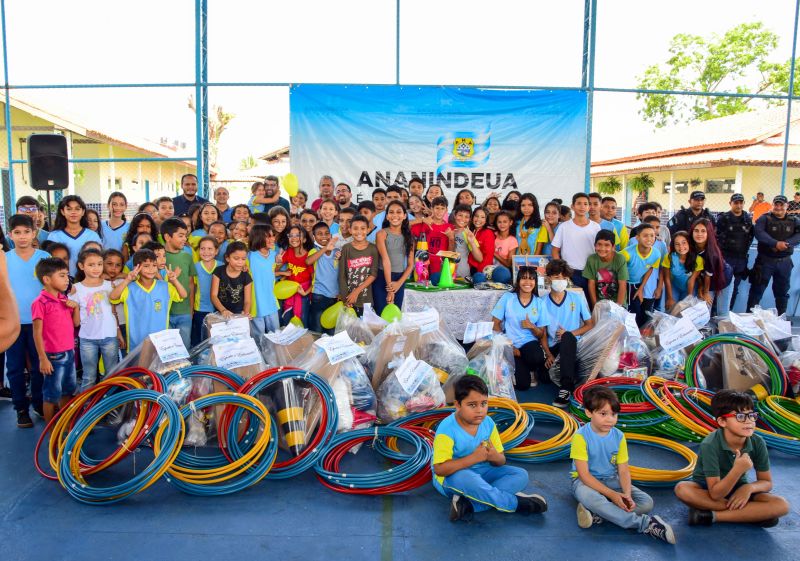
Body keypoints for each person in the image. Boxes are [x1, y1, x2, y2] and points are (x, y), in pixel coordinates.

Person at [432, 375, 548, 522]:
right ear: (458, 405)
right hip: (453, 477)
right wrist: (473, 458)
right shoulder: (447, 429)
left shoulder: (488, 423)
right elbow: (440, 469)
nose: (480, 410)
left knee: (521, 475)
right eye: (472, 405)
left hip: (483, 472)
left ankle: (469, 504)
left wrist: (494, 456)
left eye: (484, 403)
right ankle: (516, 504)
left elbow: (501, 460)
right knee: (467, 478)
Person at [570, 386, 676, 544]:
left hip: (612, 480)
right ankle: (646, 524)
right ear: (588, 413)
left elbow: (624, 470)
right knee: (589, 496)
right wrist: (613, 495)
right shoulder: (580, 437)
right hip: (584, 483)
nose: (610, 419)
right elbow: (584, 475)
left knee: (646, 502)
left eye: (614, 414)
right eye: (603, 414)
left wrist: (626, 494)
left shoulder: (619, 436)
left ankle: (598, 515)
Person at [674, 390, 790, 527]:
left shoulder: (757, 442)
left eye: (752, 415)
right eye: (740, 416)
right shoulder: (710, 444)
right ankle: (751, 513)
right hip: (708, 491)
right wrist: (737, 469)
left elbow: (766, 482)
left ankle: (710, 515)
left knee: (782, 505)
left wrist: (748, 488)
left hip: (738, 490)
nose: (749, 421)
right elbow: (716, 494)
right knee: (682, 489)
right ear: (722, 421)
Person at [6, 215, 49, 427]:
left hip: (39, 322)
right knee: (14, 368)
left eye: (26, 232)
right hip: (12, 323)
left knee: (40, 365)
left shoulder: (44, 257)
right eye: (17, 232)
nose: (22, 237)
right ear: (10, 234)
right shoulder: (4, 259)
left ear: (34, 233)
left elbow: (54, 287)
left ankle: (39, 404)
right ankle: (20, 408)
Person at [31, 257, 80, 422]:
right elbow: (37, 333)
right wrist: (43, 358)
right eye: (62, 275)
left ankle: (64, 425)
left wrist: (76, 308)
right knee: (51, 395)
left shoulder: (64, 300)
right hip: (53, 356)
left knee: (68, 391)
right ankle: (51, 431)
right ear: (46, 279)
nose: (67, 279)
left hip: (69, 352)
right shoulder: (40, 302)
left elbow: (76, 324)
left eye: (67, 275)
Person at [110, 249, 187, 351]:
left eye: (154, 265)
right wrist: (128, 279)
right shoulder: (130, 288)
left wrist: (174, 280)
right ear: (136, 268)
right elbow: (113, 297)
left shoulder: (165, 286)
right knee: (139, 367)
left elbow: (183, 295)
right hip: (136, 343)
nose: (151, 269)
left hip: (161, 342)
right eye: (146, 266)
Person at [542, 259, 593, 407]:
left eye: (564, 278)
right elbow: (543, 332)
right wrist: (548, 354)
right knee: (544, 377)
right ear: (548, 278)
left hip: (573, 345)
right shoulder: (542, 301)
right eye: (557, 277)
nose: (561, 281)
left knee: (568, 338)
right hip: (553, 347)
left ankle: (566, 389)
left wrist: (569, 333)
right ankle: (569, 374)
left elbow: (590, 324)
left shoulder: (576, 298)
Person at [70, 248, 120, 391]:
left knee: (111, 376)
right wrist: (75, 307)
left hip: (110, 337)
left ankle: (111, 407)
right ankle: (87, 409)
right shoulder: (76, 288)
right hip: (87, 339)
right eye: (91, 265)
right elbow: (76, 322)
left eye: (99, 264)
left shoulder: (109, 285)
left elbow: (114, 311)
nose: (96, 268)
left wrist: (118, 332)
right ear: (81, 266)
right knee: (89, 377)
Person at [491, 266, 549, 391]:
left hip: (529, 344)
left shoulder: (539, 302)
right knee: (523, 386)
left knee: (536, 357)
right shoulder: (508, 298)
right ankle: (514, 365)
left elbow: (541, 334)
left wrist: (532, 326)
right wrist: (508, 345)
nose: (527, 282)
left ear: (535, 282)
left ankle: (531, 369)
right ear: (518, 281)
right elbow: (495, 323)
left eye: (531, 279)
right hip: (510, 343)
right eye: (523, 278)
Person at [746, 194, 800, 315]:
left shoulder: (794, 220)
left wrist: (786, 244)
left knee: (782, 292)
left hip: (784, 262)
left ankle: (781, 318)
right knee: (756, 290)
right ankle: (749, 318)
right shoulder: (764, 219)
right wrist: (775, 243)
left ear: (787, 206)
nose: (779, 207)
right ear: (773, 205)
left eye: (782, 204)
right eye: (776, 204)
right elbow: (759, 233)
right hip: (765, 262)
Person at [552, 193, 601, 297]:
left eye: (585, 204)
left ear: (589, 207)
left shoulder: (596, 227)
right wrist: (562, 271)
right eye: (578, 203)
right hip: (570, 273)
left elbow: (599, 251)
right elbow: (555, 251)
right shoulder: (564, 227)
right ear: (572, 206)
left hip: (591, 273)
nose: (582, 207)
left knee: (589, 305)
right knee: (571, 305)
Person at [715, 193, 754, 315]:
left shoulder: (747, 219)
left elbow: (750, 236)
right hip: (726, 258)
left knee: (734, 289)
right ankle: (715, 315)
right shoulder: (723, 218)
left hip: (741, 259)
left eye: (741, 203)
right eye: (736, 203)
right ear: (730, 203)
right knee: (720, 288)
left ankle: (727, 314)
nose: (738, 205)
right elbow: (716, 238)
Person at [374, 200, 415, 314]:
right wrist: (390, 289)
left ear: (404, 216)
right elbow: (386, 261)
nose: (395, 215)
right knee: (381, 316)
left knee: (395, 318)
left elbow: (411, 264)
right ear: (387, 216)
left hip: (399, 280)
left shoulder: (409, 237)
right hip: (382, 278)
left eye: (398, 212)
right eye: (391, 212)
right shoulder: (381, 234)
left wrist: (399, 283)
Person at [161, 218, 196, 348]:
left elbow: (191, 284)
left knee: (184, 348)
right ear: (167, 237)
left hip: (184, 312)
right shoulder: (159, 256)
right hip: (164, 312)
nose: (184, 239)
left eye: (185, 236)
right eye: (180, 235)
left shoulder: (187, 256)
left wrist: (191, 309)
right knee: (167, 349)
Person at [47, 195, 102, 276]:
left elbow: (99, 260)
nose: (73, 212)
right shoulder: (54, 236)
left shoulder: (93, 236)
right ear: (62, 212)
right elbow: (50, 264)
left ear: (83, 212)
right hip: (62, 281)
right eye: (69, 209)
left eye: (77, 209)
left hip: (88, 280)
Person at [620, 223, 661, 326]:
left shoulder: (656, 254)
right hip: (624, 283)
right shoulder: (626, 254)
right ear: (637, 238)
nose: (649, 239)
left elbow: (650, 269)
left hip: (637, 284)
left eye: (652, 235)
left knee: (638, 313)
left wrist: (640, 288)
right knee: (629, 313)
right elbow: (617, 271)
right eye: (645, 235)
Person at [338, 215, 378, 315]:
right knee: (350, 329)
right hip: (349, 299)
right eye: (355, 228)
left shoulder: (373, 248)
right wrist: (345, 298)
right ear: (350, 230)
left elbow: (373, 274)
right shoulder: (346, 248)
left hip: (366, 299)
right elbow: (342, 275)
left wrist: (356, 292)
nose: (359, 232)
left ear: (368, 230)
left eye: (363, 228)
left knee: (365, 329)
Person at [306, 222, 340, 334]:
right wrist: (326, 248)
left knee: (331, 330)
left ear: (330, 235)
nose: (324, 236)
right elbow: (308, 261)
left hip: (335, 297)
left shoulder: (336, 252)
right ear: (314, 236)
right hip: (319, 296)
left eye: (326, 233)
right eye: (320, 234)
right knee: (317, 329)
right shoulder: (314, 251)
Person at [411, 196, 453, 285]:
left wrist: (451, 238)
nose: (439, 211)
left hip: (439, 264)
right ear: (432, 209)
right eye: (437, 208)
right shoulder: (424, 223)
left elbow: (451, 253)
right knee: (422, 286)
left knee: (436, 286)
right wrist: (421, 220)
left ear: (446, 210)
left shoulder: (449, 227)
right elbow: (405, 225)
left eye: (442, 208)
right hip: (423, 261)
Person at [248, 225, 281, 335]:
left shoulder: (274, 254)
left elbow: (270, 273)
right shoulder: (249, 256)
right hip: (255, 304)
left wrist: (279, 266)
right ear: (258, 238)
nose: (273, 239)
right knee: (258, 338)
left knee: (276, 335)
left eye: (273, 236)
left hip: (271, 302)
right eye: (268, 236)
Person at [690, 218, 728, 313]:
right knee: (703, 311)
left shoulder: (711, 253)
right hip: (706, 281)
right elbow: (697, 272)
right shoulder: (689, 248)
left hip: (724, 279)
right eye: (696, 231)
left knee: (722, 313)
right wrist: (700, 288)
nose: (699, 234)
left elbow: (707, 275)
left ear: (709, 234)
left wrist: (705, 292)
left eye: (703, 231)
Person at [583, 229, 628, 308]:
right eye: (599, 244)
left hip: (618, 302)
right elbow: (591, 284)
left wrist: (618, 308)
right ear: (595, 245)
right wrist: (595, 306)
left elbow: (622, 284)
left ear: (613, 247)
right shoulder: (592, 259)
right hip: (600, 302)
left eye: (607, 245)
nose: (602, 248)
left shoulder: (620, 259)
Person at [191, 236, 221, 346]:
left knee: (216, 339)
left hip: (218, 309)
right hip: (200, 309)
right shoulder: (195, 267)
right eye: (202, 249)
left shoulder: (222, 266)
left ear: (216, 251)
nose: (206, 252)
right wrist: (191, 309)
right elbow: (193, 288)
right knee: (201, 339)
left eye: (210, 249)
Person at [280, 225, 312, 325]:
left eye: (297, 235)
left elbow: (315, 279)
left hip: (303, 293)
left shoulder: (309, 256)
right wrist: (283, 272)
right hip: (289, 291)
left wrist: (306, 293)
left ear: (304, 239)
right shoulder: (288, 252)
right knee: (287, 319)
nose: (294, 238)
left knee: (302, 321)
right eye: (291, 235)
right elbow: (274, 270)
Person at [662, 231, 703, 310]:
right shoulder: (669, 257)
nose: (681, 247)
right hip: (675, 286)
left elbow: (691, 280)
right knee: (671, 309)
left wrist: (689, 299)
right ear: (673, 246)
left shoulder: (698, 259)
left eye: (684, 243)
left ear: (689, 243)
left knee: (686, 311)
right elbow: (667, 278)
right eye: (677, 244)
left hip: (690, 287)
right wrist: (670, 298)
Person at [211, 241, 252, 318]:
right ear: (227, 258)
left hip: (239, 314)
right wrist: (223, 310)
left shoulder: (246, 276)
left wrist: (245, 313)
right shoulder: (218, 271)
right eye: (236, 258)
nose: (240, 262)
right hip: (220, 312)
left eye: (243, 259)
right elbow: (213, 295)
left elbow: (247, 301)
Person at [103, 249, 127, 357]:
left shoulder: (122, 282)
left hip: (123, 322)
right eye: (109, 264)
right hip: (105, 324)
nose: (114, 268)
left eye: (118, 265)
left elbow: (136, 277)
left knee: (124, 350)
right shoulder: (98, 282)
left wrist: (120, 276)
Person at [450, 204, 483, 281]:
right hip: (447, 271)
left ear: (470, 219)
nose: (463, 219)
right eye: (460, 215)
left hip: (462, 274)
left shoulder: (468, 233)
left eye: (466, 217)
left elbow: (479, 258)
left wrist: (471, 241)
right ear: (455, 215)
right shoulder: (448, 229)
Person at [468, 207, 495, 283]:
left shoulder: (488, 233)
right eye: (476, 216)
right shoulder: (471, 231)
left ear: (486, 220)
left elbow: (486, 257)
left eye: (482, 217)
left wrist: (480, 274)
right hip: (470, 268)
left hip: (480, 272)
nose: (478, 219)